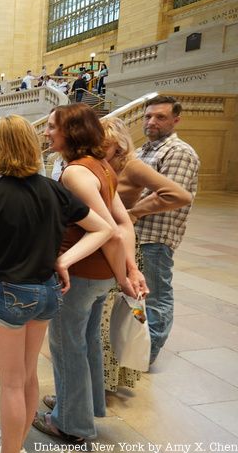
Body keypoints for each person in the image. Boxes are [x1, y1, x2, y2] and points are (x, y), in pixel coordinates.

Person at [0, 115, 112, 453]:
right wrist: (63, 261)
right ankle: (14, 439)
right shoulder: (55, 190)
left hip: (9, 293)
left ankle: (9, 449)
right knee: (28, 377)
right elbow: (104, 228)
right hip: (47, 292)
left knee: (12, 384)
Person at [33, 103, 147, 443]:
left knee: (68, 346)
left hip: (80, 275)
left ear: (71, 131)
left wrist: (125, 273)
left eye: (53, 126)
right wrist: (128, 268)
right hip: (99, 276)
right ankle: (81, 404)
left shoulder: (74, 173)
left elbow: (109, 229)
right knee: (86, 342)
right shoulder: (101, 166)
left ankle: (71, 422)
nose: (47, 132)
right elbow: (123, 222)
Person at [99, 117, 192, 392]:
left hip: (122, 245)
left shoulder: (131, 165)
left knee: (118, 317)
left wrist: (136, 211)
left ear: (118, 144)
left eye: (103, 144)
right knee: (109, 319)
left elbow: (179, 194)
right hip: (103, 243)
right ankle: (106, 378)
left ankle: (108, 379)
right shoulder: (99, 165)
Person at [134, 95, 199, 364]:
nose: (152, 121)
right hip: (136, 235)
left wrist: (131, 212)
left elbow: (169, 195)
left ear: (175, 120)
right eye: (148, 116)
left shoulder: (178, 152)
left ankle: (148, 353)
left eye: (160, 117)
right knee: (136, 297)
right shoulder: (144, 150)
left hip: (156, 237)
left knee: (157, 297)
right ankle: (134, 350)